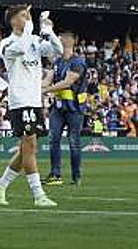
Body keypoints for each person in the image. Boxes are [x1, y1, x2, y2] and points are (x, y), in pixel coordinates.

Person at [0, 4, 61, 208]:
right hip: (20, 100)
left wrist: (48, 31)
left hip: (34, 100)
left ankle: (0, 187)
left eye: (28, 15)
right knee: (29, 147)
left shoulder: (34, 41)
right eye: (23, 15)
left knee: (26, 148)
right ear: (13, 20)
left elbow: (58, 50)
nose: (28, 18)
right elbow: (20, 49)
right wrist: (30, 30)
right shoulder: (6, 43)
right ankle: (38, 195)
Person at [44, 30, 86, 186]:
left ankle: (76, 176)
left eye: (62, 38)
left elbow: (68, 82)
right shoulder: (57, 62)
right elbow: (47, 80)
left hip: (74, 108)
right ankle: (55, 174)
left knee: (73, 141)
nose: (59, 40)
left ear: (71, 41)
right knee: (53, 138)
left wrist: (45, 90)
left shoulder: (78, 62)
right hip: (58, 108)